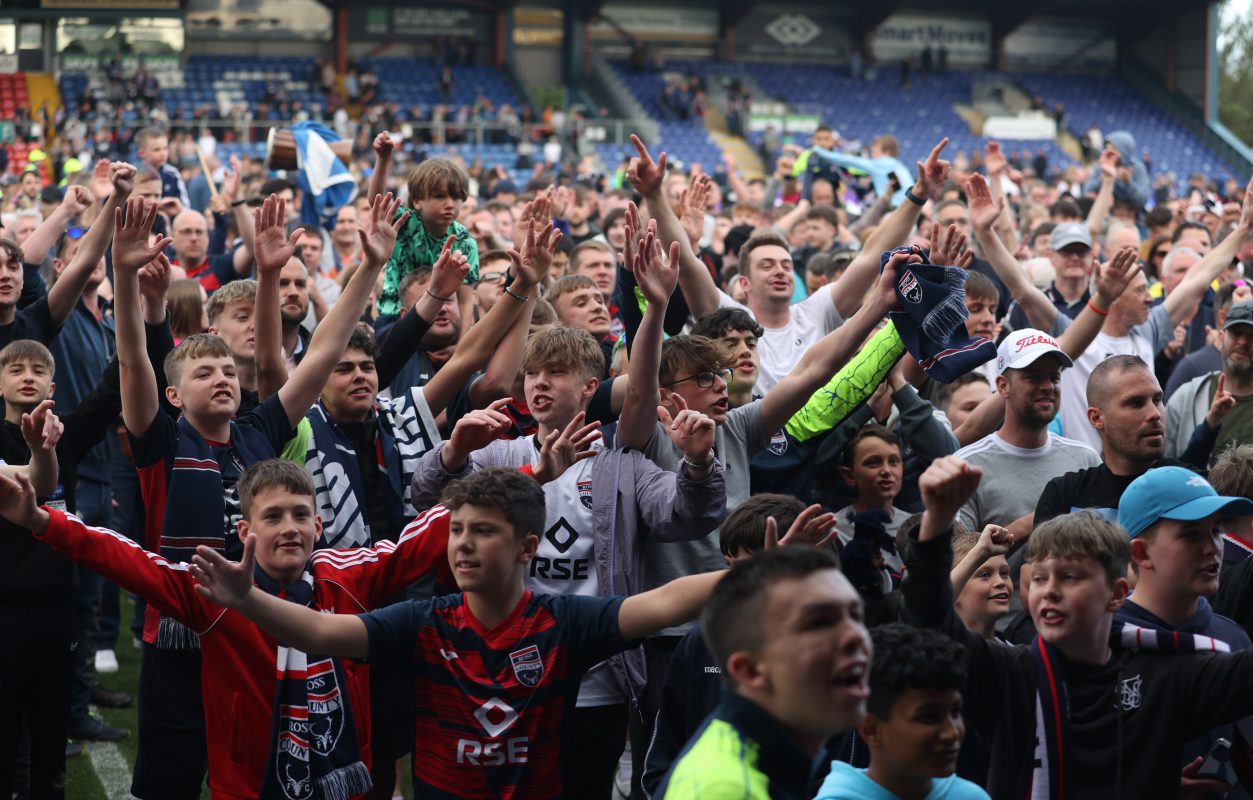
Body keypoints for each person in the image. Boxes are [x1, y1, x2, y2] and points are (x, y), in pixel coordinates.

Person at [190, 466, 725, 799]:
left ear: (527, 547)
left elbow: (661, 603)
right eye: (457, 530)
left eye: (483, 531)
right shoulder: (424, 623)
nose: (463, 544)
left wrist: (754, 572)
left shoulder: (564, 623)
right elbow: (321, 632)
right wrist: (246, 599)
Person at [113, 192, 404, 799]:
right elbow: (134, 359)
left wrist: (371, 265)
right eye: (203, 373)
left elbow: (323, 354)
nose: (221, 379)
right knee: (167, 782)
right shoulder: (161, 441)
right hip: (183, 634)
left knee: (255, 776)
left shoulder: (259, 430)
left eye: (227, 371)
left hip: (253, 626)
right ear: (174, 396)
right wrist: (123, 274)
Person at [0, 458, 458, 799]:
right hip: (246, 789)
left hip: (344, 787)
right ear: (244, 532)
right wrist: (41, 520)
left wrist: (498, 471)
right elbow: (123, 557)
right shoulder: (215, 589)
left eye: (301, 515)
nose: (290, 528)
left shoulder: (350, 576)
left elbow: (421, 540)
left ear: (319, 526)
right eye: (273, 516)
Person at [903, 455, 1253, 797]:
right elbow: (926, 626)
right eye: (1039, 578)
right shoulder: (1011, 674)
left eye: (1070, 577)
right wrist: (937, 521)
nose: (1050, 591)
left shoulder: (1167, 672)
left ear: (1116, 594)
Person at [626, 134, 948, 394]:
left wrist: (918, 194)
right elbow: (689, 263)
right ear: (744, 283)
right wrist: (654, 195)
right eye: (766, 265)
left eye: (785, 264)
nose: (780, 270)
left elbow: (869, 254)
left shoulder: (816, 312)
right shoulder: (727, 317)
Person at [639, 494, 836, 796]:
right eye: (731, 567)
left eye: (754, 568)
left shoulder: (830, 651)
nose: (739, 582)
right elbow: (664, 754)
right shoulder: (702, 640)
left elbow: (839, 765)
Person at [657, 547, 871, 799]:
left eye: (856, 616)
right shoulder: (726, 789)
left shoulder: (766, 757)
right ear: (750, 671)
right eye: (818, 623)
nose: (855, 636)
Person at [813, 624, 990, 800]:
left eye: (956, 712)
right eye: (928, 717)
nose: (952, 733)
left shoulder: (971, 796)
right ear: (871, 729)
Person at [954, 329, 1100, 538]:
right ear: (1003, 386)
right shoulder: (967, 466)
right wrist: (1044, 515)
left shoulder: (1086, 460)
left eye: (1054, 377)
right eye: (1034, 377)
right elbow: (959, 554)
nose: (1048, 386)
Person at [372, 136, 479, 319]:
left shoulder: (466, 242)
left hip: (442, 321)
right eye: (439, 196)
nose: (450, 204)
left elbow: (465, 301)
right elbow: (377, 200)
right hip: (395, 318)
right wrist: (383, 159)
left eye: (456, 197)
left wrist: (462, 338)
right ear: (417, 201)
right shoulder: (404, 223)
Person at [1165, 300, 1253, 464]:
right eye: (1236, 333)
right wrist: (1210, 424)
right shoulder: (1187, 397)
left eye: (1252, 335)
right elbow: (1164, 468)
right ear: (1221, 338)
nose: (1243, 342)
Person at [135, 127, 190, 209]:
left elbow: (186, 206)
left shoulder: (172, 174)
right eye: (157, 150)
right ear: (141, 153)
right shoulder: (134, 174)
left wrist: (177, 208)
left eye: (165, 148)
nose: (163, 153)